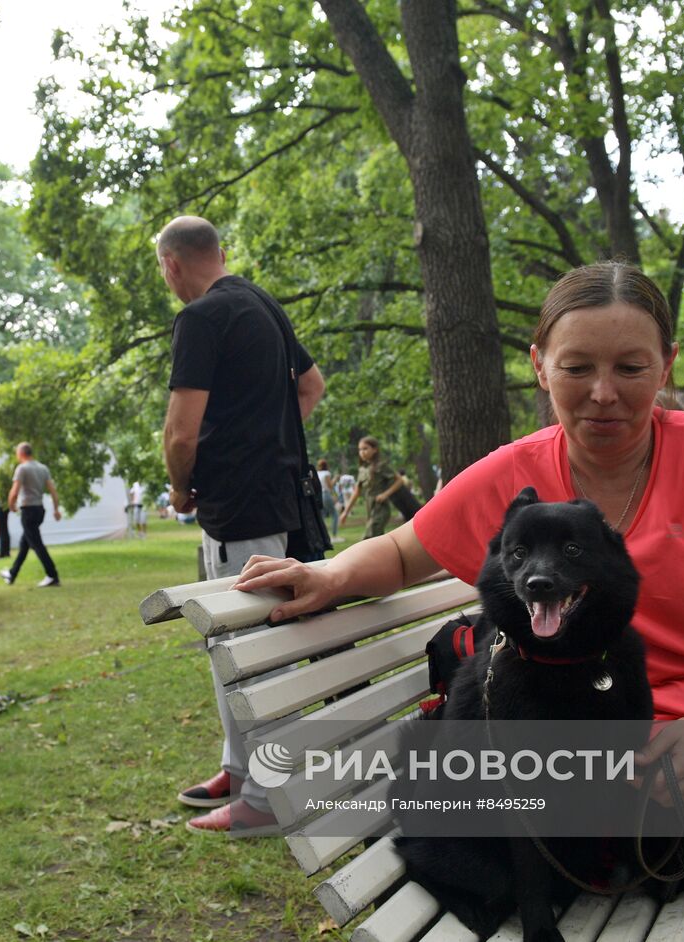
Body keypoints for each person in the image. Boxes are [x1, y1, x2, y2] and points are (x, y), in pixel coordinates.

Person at [234, 261, 684, 938]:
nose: (604, 393)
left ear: (667, 365)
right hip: (642, 774)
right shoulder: (515, 473)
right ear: (540, 366)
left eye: (631, 368)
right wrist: (329, 574)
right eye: (577, 368)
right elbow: (398, 550)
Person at [157, 214, 325, 835]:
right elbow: (311, 387)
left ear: (171, 265)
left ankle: (267, 797)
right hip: (274, 499)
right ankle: (238, 766)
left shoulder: (201, 317)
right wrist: (272, 441)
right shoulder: (262, 304)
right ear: (219, 252)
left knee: (255, 651)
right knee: (227, 641)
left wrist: (181, 487)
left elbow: (180, 429)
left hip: (237, 508)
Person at [2, 443, 61, 587]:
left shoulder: (22, 468)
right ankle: (12, 573)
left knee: (37, 544)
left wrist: (11, 504)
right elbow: (53, 490)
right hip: (40, 509)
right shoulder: (43, 468)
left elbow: (14, 490)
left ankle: (52, 575)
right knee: (25, 544)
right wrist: (56, 509)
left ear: (21, 453)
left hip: (28, 510)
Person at [340, 437, 403, 538]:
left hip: (380, 507)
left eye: (365, 448)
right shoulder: (362, 469)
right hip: (370, 507)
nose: (362, 452)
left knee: (368, 537)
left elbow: (399, 481)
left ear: (375, 449)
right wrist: (345, 512)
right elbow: (356, 492)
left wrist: (385, 494)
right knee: (376, 538)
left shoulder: (381, 466)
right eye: (360, 449)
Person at [316, 459, 339, 537]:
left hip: (319, 495)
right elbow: (330, 486)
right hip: (326, 494)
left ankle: (323, 535)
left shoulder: (317, 473)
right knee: (334, 514)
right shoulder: (326, 473)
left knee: (322, 516)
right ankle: (334, 534)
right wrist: (335, 479)